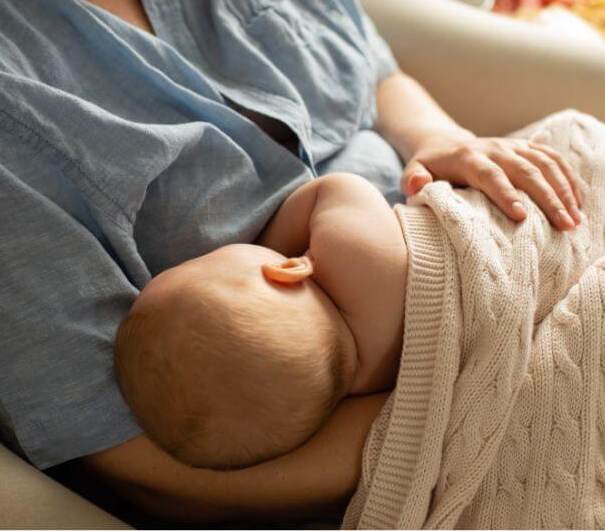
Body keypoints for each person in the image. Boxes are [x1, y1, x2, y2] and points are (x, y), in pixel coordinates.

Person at [0, 0, 584, 522]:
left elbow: (371, 71)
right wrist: (477, 408)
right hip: (425, 430)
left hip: (501, 248)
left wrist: (436, 136)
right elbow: (144, 467)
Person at [115, 173, 407, 471]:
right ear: (287, 270)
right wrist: (271, 243)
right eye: (198, 262)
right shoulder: (359, 265)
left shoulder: (367, 389)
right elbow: (340, 187)